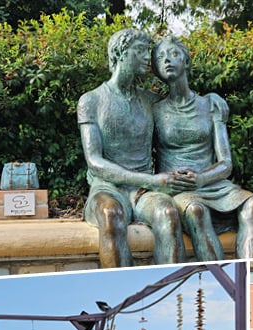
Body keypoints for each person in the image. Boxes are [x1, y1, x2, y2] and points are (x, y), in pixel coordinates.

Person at [78, 28, 187, 268]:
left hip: (143, 191)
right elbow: (95, 161)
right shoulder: (91, 101)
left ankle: (169, 291)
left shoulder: (150, 100)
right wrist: (149, 180)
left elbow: (181, 114)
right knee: (110, 216)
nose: (147, 58)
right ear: (119, 53)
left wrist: (209, 104)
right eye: (140, 51)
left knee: (169, 215)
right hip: (107, 188)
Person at [152, 35, 253, 260]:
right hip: (180, 188)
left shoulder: (210, 105)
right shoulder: (153, 110)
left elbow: (226, 163)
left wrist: (202, 178)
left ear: (187, 61)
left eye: (174, 54)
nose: (167, 60)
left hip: (213, 183)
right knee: (196, 212)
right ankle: (219, 277)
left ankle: (250, 279)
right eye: (161, 57)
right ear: (156, 68)